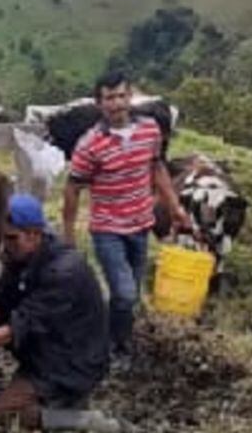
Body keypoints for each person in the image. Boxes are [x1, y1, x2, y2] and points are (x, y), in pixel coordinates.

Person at [61, 71, 190, 371]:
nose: (117, 103)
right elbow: (72, 188)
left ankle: (120, 337)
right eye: (110, 98)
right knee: (125, 292)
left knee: (130, 293)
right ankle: (112, 346)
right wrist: (68, 233)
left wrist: (175, 207)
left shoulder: (149, 130)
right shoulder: (90, 144)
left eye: (122, 96)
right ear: (99, 103)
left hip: (140, 224)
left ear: (130, 97)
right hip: (108, 229)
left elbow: (157, 168)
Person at [0, 194, 117, 432]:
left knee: (2, 413)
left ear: (34, 234)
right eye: (2, 238)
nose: (5, 245)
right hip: (45, 348)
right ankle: (56, 399)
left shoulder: (63, 273)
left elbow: (6, 333)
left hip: (71, 361)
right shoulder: (22, 255)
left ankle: (83, 419)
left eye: (11, 238)